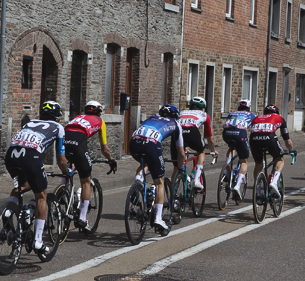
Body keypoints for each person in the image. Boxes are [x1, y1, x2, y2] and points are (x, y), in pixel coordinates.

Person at [3, 101, 68, 258]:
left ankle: (8, 212)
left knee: (22, 186)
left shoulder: (30, 123)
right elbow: (61, 159)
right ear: (57, 118)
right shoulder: (59, 128)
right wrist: (67, 172)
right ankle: (38, 241)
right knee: (41, 196)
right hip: (31, 157)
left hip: (11, 155)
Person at [129, 104, 185, 236]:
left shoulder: (151, 118)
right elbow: (181, 152)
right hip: (152, 145)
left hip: (134, 142)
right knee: (159, 181)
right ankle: (158, 219)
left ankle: (138, 184)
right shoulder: (176, 124)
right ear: (175, 117)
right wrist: (180, 167)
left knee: (145, 163)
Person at [63, 101, 117, 231]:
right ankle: (82, 218)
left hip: (64, 140)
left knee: (70, 166)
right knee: (86, 181)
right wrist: (110, 160)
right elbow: (105, 149)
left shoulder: (77, 118)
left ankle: (62, 189)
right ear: (99, 112)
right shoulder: (100, 121)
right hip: (78, 143)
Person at [249, 104, 294, 198]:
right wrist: (291, 150)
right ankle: (273, 182)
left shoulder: (256, 118)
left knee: (258, 163)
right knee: (280, 159)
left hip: (254, 139)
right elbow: (287, 141)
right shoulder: (279, 118)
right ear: (276, 112)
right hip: (269, 137)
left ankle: (257, 192)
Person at [178, 96, 218, 190]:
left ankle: (173, 194)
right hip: (192, 131)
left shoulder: (182, 113)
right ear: (203, 108)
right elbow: (210, 138)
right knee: (201, 151)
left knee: (178, 162)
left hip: (178, 133)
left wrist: (182, 146)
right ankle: (196, 180)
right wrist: (213, 150)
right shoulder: (204, 115)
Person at [221, 99, 255, 201]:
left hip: (226, 134)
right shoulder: (251, 115)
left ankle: (227, 168)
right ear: (248, 107)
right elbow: (255, 128)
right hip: (240, 134)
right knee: (244, 160)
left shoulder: (232, 113)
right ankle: (237, 186)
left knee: (232, 147)